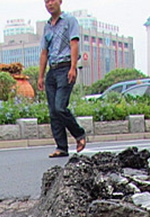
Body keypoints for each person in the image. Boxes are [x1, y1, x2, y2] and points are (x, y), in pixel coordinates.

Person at [37, 0, 86, 159]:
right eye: (46, 1)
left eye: (52, 0)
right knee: (53, 111)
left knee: (60, 107)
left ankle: (79, 134)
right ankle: (61, 146)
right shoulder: (47, 26)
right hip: (52, 70)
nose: (49, 4)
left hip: (66, 68)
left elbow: (74, 44)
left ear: (60, 1)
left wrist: (73, 67)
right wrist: (41, 76)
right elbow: (44, 52)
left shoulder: (70, 21)